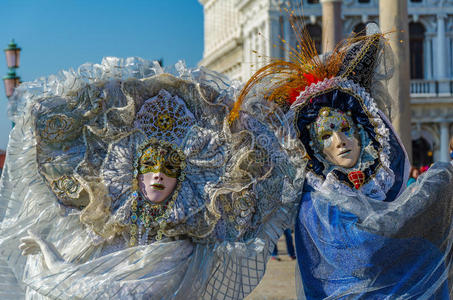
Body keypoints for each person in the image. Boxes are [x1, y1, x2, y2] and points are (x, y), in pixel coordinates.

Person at [0, 58, 300, 299]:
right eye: (149, 166)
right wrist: (51, 258)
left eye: (169, 168)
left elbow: (123, 292)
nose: (158, 175)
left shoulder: (178, 248)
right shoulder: (110, 235)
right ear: (130, 173)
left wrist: (51, 264)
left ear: (185, 181)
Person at [230, 23, 453, 299]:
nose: (339, 141)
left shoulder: (382, 185)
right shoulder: (318, 202)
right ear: (315, 147)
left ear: (362, 132)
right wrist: (427, 198)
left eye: (346, 129)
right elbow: (364, 253)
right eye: (326, 135)